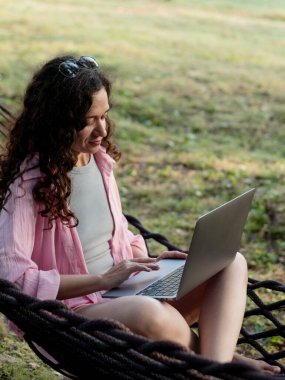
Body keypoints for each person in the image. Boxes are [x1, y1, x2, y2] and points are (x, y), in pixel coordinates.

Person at [0, 55, 280, 375]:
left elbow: (115, 230)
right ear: (60, 122)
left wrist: (148, 263)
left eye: (105, 116)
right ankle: (226, 365)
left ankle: (216, 366)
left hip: (127, 287)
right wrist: (103, 280)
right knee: (150, 313)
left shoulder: (98, 161)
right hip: (74, 314)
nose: (102, 130)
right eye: (90, 120)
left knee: (230, 262)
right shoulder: (28, 186)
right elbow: (14, 278)